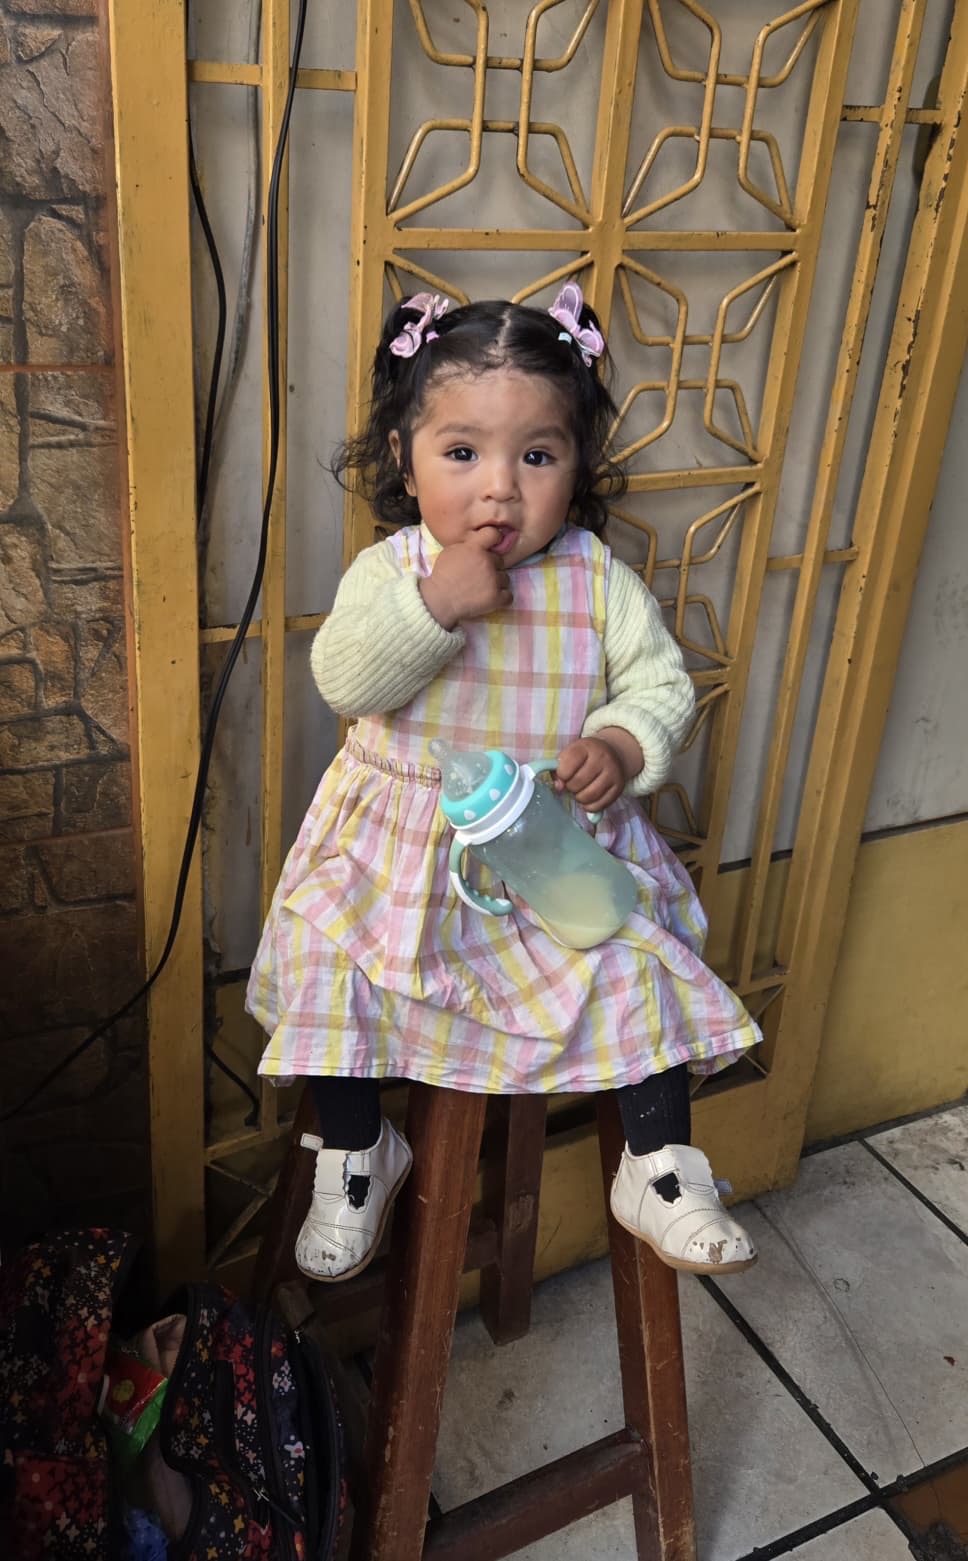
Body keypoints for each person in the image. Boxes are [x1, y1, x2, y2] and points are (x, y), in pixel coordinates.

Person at [247, 282, 761, 1284]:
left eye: (536, 455)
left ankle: (655, 1166)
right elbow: (343, 679)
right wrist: (433, 606)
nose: (498, 489)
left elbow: (661, 685)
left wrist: (618, 743)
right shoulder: (390, 571)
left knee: (639, 963)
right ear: (403, 456)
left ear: (576, 465)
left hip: (553, 860)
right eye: (461, 453)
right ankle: (357, 1152)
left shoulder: (591, 579)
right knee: (323, 963)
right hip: (396, 867)